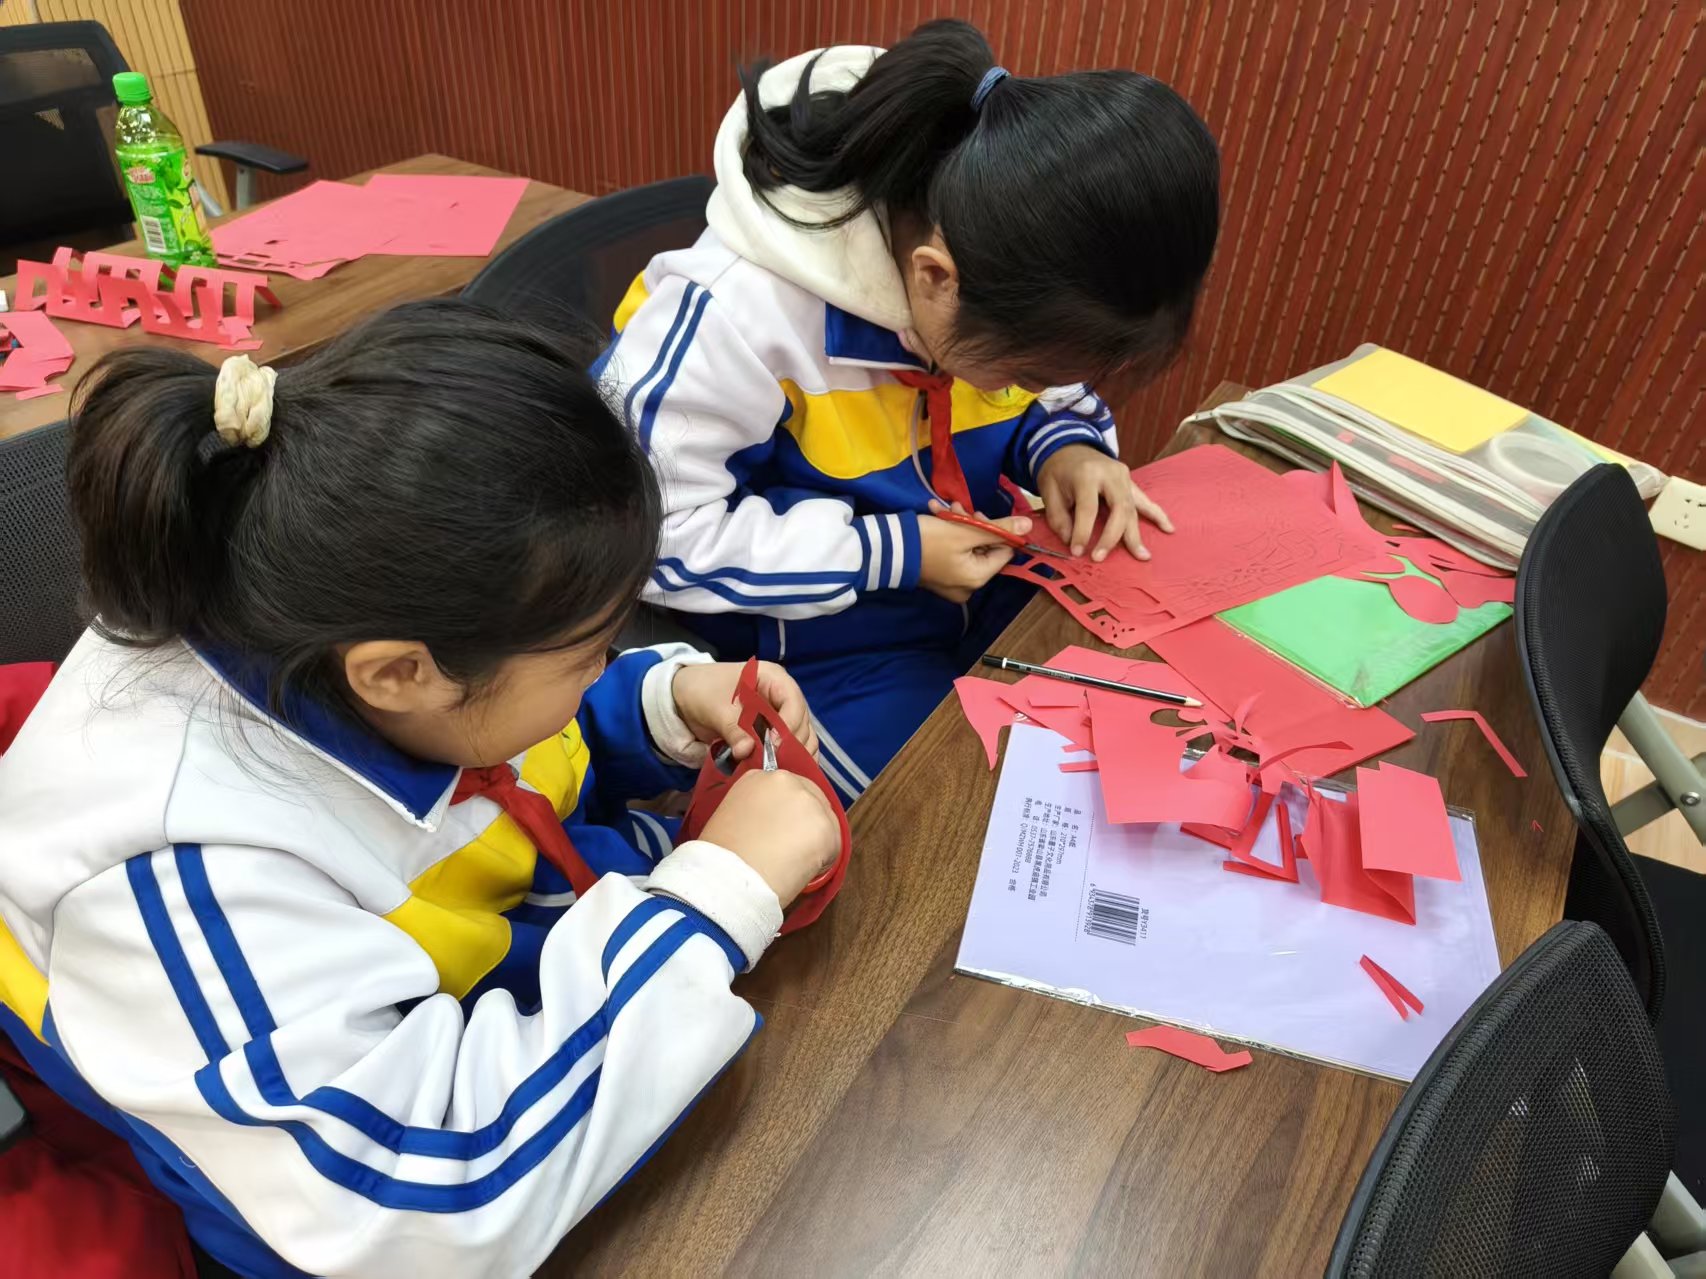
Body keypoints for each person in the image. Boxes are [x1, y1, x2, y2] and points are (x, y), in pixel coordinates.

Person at [0, 301, 839, 1279]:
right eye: (591, 652)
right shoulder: (176, 878)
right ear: (401, 673)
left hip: (505, 1007)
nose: (609, 661)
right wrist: (720, 894)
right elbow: (422, 1209)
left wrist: (657, 704)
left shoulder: (334, 623)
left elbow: (498, 751)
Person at [600, 18, 1220, 803]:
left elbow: (1056, 386)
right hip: (808, 639)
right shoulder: (735, 318)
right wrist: (896, 553)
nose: (1032, 387)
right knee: (937, 804)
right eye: (1023, 374)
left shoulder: (1002, 266)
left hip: (959, 583)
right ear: (934, 277)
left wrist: (1070, 445)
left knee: (1124, 708)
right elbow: (649, 535)